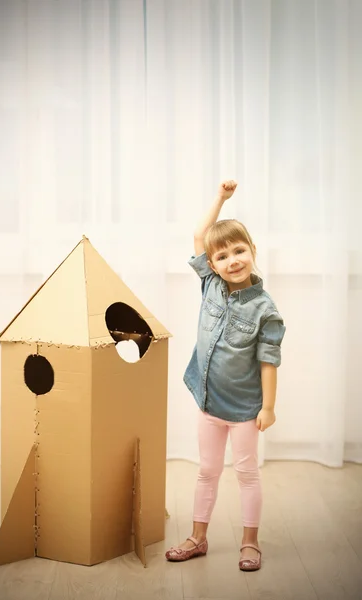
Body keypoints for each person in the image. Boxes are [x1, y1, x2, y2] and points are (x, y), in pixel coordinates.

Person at [165, 180, 286, 571]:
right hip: (207, 400)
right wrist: (220, 198)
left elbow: (269, 360)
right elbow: (200, 234)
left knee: (247, 473)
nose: (232, 260)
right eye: (223, 256)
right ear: (212, 265)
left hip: (245, 408)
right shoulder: (211, 286)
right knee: (207, 470)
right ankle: (198, 537)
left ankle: (250, 542)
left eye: (239, 250)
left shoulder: (265, 309)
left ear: (252, 251)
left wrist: (268, 407)